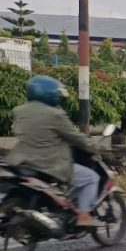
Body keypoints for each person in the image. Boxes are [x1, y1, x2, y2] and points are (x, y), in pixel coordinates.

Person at [5, 75, 102, 227]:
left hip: (22, 162)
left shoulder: (20, 111)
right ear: (49, 93)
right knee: (91, 178)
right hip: (49, 164)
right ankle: (84, 216)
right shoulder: (55, 114)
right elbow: (75, 137)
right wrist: (94, 147)